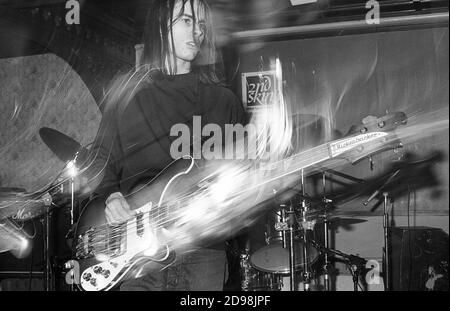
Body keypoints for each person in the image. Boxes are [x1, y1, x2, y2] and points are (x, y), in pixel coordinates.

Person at [86, 0, 247, 291]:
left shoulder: (224, 102)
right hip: (136, 251)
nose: (197, 31)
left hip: (203, 249)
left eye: (200, 24)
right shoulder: (128, 95)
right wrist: (111, 197)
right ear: (160, 25)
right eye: (186, 20)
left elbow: (240, 176)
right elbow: (100, 158)